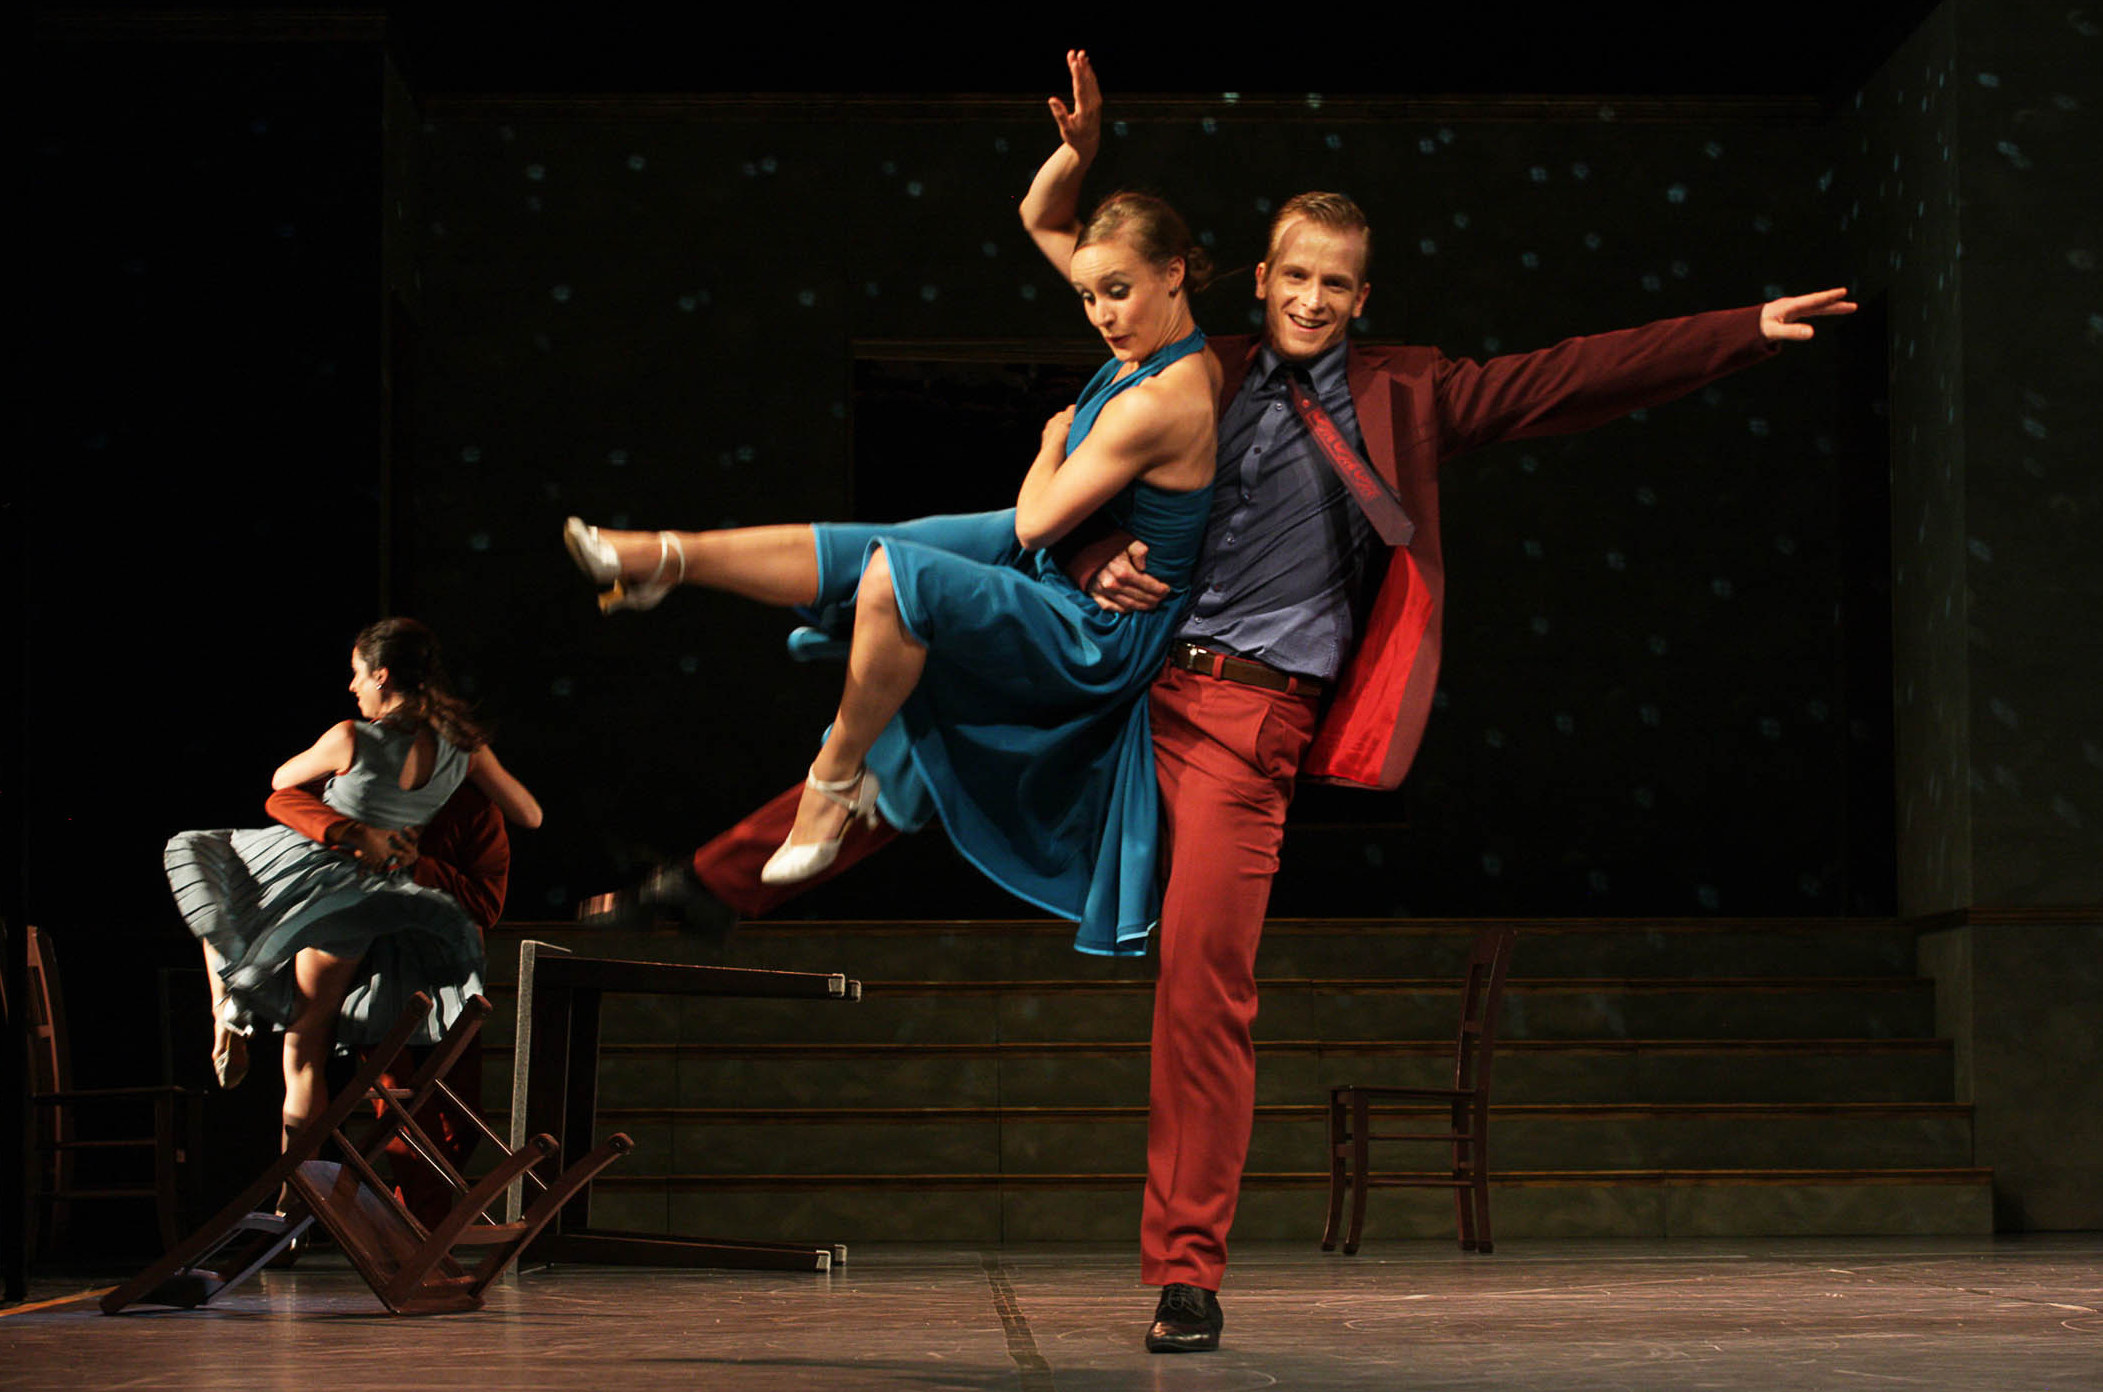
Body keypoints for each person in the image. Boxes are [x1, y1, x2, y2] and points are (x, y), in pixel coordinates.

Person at [614, 52, 1858, 1354]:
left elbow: (1568, 375)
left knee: (1206, 984)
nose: (1313, 300)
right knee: (919, 744)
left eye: (1337, 284)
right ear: (1258, 278)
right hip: (1131, 676)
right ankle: (710, 885)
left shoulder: (1405, 397)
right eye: (1295, 276)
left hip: (1244, 730)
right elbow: (1086, 309)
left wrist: (1735, 332)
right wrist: (1090, 543)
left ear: (1362, 297)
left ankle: (1186, 1272)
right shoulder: (1194, 368)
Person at [565, 168, 1221, 954]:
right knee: (876, 547)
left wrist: (1052, 443)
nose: (1100, 314)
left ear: (1172, 273)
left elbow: (1038, 521)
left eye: (1115, 292)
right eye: (1087, 295)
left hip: (1095, 626)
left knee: (897, 586)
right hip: (1060, 566)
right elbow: (1043, 219)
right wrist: (1076, 153)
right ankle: (663, 558)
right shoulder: (1142, 326)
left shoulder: (1159, 395)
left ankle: (831, 778)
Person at [163, 617, 542, 1156]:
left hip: (314, 868)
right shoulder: (464, 749)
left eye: (357, 673)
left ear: (382, 675)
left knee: (213, 867)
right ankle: (298, 1185)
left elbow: (281, 783)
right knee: (306, 1044)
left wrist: (351, 816)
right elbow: (529, 815)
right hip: (368, 900)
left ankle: (227, 1009)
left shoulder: (351, 737)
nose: (352, 685)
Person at [265, 776, 510, 1226]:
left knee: (462, 1121)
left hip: (449, 981)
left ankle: (405, 1225)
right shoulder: (357, 784)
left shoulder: (472, 808)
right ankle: (416, 1236)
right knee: (403, 1115)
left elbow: (487, 904)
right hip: (379, 980)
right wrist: (352, 833)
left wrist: (419, 867)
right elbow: (285, 796)